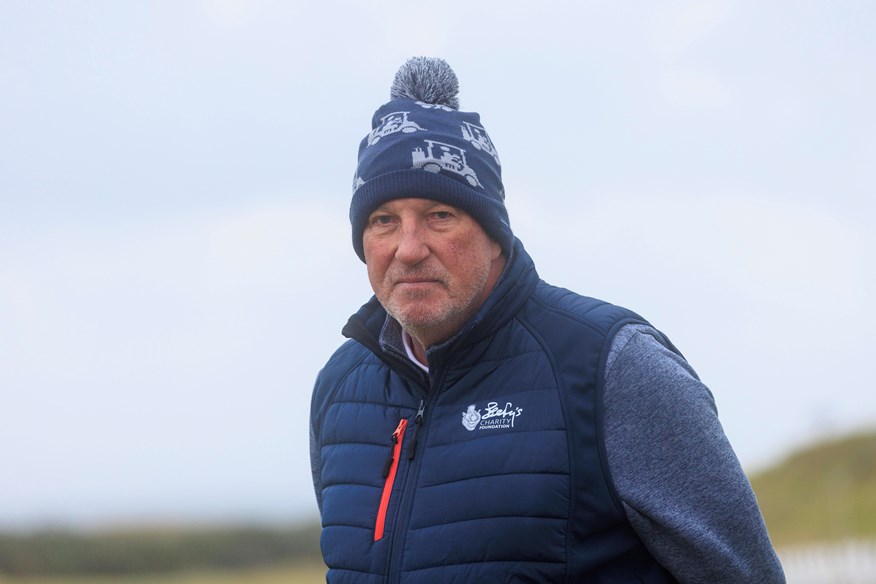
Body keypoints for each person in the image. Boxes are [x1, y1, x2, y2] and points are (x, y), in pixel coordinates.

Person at [310, 57, 786, 583]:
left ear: (494, 234)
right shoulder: (339, 389)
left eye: (440, 216)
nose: (409, 248)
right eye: (383, 221)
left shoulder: (613, 367)